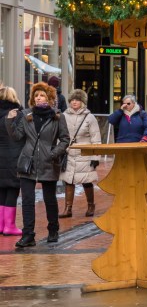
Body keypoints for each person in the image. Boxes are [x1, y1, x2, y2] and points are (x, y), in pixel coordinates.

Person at [5, 82, 69, 247]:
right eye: (36, 95)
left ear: (49, 98)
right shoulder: (26, 115)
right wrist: (9, 122)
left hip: (49, 162)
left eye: (41, 95)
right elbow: (17, 136)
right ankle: (28, 235)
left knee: (49, 199)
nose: (38, 97)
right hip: (28, 162)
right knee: (27, 199)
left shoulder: (57, 116)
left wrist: (53, 153)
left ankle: (53, 230)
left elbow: (65, 139)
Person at [59, 89, 102, 219]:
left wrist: (95, 157)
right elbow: (60, 135)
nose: (74, 102)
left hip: (85, 153)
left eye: (77, 100)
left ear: (82, 102)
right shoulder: (64, 116)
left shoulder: (89, 117)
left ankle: (90, 205)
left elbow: (96, 138)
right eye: (72, 100)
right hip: (69, 153)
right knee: (69, 180)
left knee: (86, 181)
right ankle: (68, 208)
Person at [0, 86, 25, 236]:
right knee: (12, 189)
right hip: (14, 157)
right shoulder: (17, 114)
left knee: (1, 189)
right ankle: (9, 225)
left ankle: (1, 224)